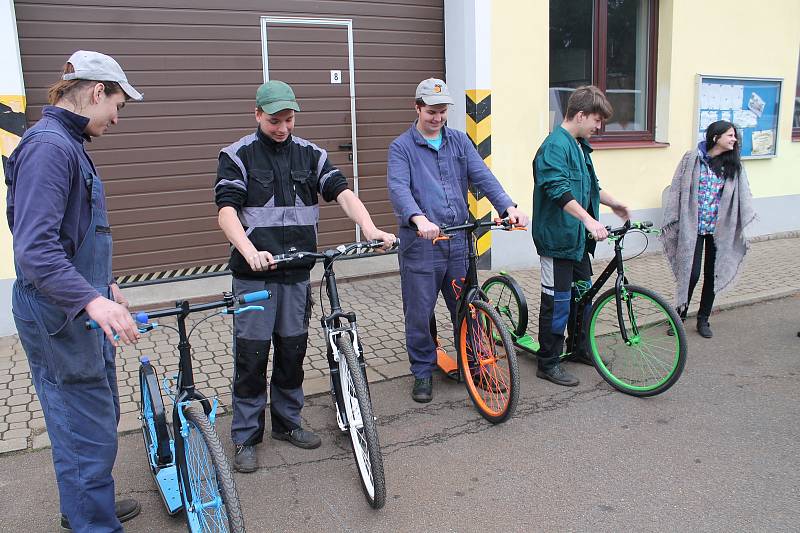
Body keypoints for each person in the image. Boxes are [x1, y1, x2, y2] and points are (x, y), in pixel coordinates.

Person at [215, 80, 395, 473]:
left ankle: (287, 423)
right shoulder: (237, 156)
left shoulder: (311, 155)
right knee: (251, 357)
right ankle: (245, 436)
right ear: (257, 114)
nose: (282, 127)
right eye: (275, 119)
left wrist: (368, 227)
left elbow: (342, 193)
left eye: (289, 119)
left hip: (297, 276)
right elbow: (226, 211)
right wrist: (250, 251)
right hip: (254, 279)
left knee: (292, 352)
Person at [5, 51, 143, 532]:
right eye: (117, 105)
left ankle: (88, 505)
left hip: (77, 308)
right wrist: (91, 299)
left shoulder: (66, 143)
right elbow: (36, 251)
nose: (116, 119)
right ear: (96, 91)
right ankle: (93, 522)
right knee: (83, 426)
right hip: (58, 315)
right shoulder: (49, 148)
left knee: (96, 415)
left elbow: (71, 234)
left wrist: (104, 286)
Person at [387, 78, 529, 403]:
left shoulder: (459, 142)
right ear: (417, 107)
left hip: (459, 242)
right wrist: (418, 218)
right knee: (420, 312)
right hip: (422, 245)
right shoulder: (401, 148)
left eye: (442, 112)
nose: (437, 118)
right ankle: (422, 372)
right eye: (431, 112)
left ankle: (477, 366)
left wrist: (507, 206)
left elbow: (483, 176)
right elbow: (398, 189)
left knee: (469, 308)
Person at [531, 85, 630, 387]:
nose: (599, 127)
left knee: (582, 295)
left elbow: (591, 188)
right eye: (597, 120)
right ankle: (548, 362)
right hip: (557, 239)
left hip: (576, 241)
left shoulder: (578, 145)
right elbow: (558, 189)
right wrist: (588, 220)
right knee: (557, 300)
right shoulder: (554, 146)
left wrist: (614, 204)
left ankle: (578, 349)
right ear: (581, 114)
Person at [661, 120, 755, 338]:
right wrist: (674, 217)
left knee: (712, 275)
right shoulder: (692, 159)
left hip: (719, 230)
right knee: (691, 274)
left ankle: (703, 319)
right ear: (716, 137)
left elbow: (743, 195)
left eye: (735, 136)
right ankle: (680, 316)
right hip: (692, 226)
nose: (734, 140)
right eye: (730, 135)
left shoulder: (734, 165)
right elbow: (677, 187)